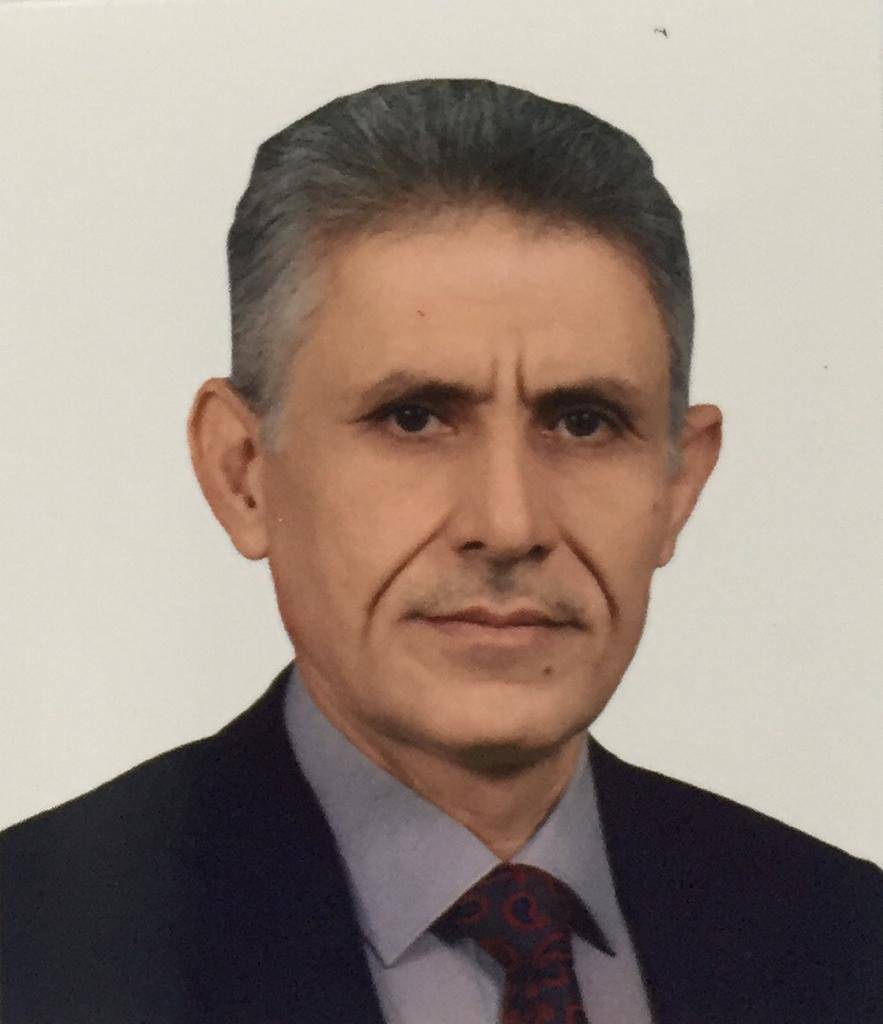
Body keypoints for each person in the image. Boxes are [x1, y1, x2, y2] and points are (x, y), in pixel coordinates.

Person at [1, 78, 879, 1024]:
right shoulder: (36, 949)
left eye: (583, 422)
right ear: (242, 472)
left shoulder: (843, 938)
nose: (507, 524)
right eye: (413, 418)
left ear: (678, 484)